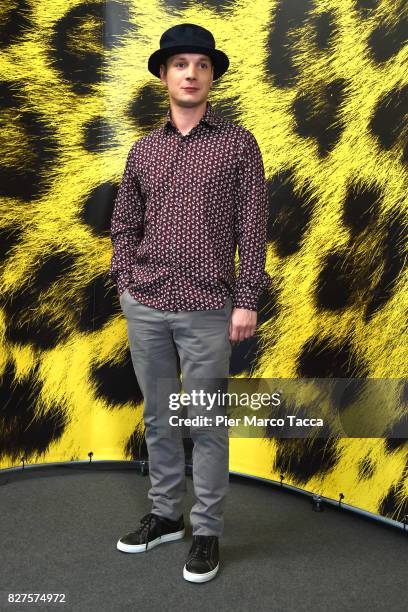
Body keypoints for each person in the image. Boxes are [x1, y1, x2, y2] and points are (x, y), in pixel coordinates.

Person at [109, 23, 271, 583]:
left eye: (201, 65)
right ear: (163, 75)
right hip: (146, 303)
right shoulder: (144, 149)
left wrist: (246, 299)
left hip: (208, 306)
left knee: (204, 420)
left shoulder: (238, 143)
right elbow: (124, 222)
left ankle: (205, 532)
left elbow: (253, 228)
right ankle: (164, 516)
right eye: (181, 64)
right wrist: (127, 279)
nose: (191, 74)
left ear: (212, 77)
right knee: (158, 416)